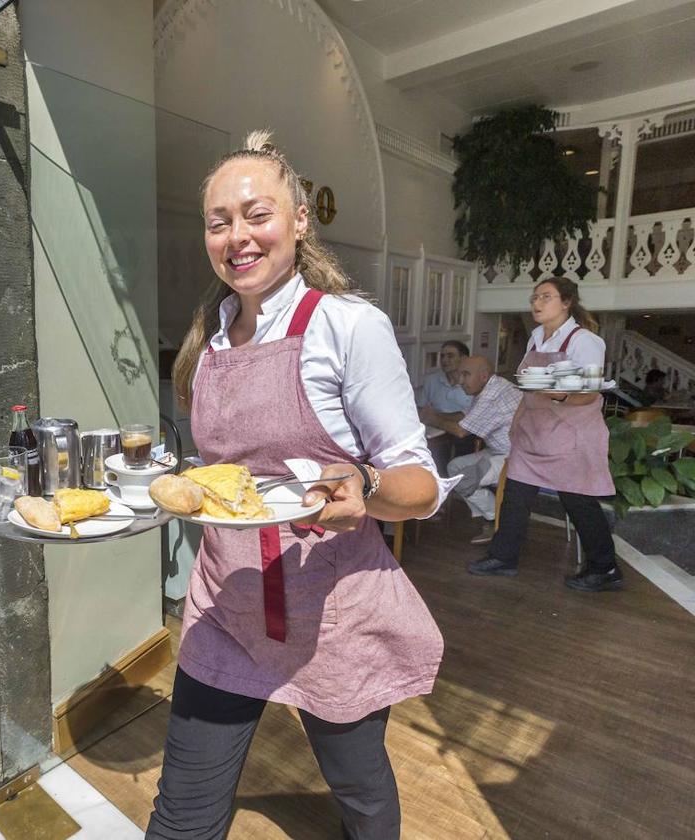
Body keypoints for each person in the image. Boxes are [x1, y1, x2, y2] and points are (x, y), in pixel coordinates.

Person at [151, 131, 455, 840]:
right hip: (225, 604)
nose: (237, 236)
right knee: (183, 810)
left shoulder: (347, 325)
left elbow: (421, 483)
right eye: (219, 221)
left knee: (359, 791)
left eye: (257, 214)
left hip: (333, 612)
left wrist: (368, 487)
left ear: (298, 220)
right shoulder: (210, 336)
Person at [469, 277, 621, 592]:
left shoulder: (584, 341)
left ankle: (605, 568)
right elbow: (528, 390)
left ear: (566, 302)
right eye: (535, 297)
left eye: (546, 297)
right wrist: (517, 421)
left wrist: (555, 393)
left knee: (577, 500)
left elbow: (589, 394)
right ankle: (503, 558)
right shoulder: (536, 336)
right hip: (535, 432)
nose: (537, 303)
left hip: (571, 434)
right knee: (515, 494)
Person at [422, 356, 522, 545]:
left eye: (465, 375)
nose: (460, 381)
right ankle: (492, 517)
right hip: (498, 450)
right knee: (455, 467)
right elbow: (464, 416)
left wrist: (431, 419)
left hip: (514, 456)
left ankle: (495, 520)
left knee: (463, 477)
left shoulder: (492, 396)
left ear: (483, 376)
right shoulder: (492, 387)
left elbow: (461, 431)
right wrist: (433, 415)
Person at [417, 340, 473, 420]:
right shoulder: (432, 380)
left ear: (463, 359)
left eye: (450, 356)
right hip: (436, 428)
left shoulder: (473, 382)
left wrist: (435, 415)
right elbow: (421, 408)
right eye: (442, 356)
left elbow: (472, 417)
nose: (444, 360)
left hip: (462, 429)